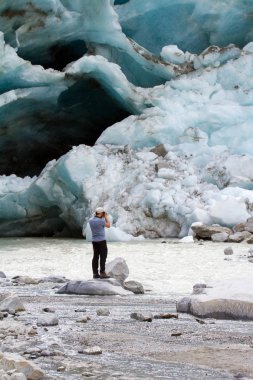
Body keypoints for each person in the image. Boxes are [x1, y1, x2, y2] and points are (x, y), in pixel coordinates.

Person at [89, 207, 111, 279]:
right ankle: (102, 273)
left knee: (95, 257)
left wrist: (101, 215)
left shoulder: (91, 221)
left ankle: (95, 274)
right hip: (102, 241)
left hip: (94, 241)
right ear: (101, 213)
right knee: (103, 257)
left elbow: (94, 217)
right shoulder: (101, 221)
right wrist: (106, 217)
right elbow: (108, 225)